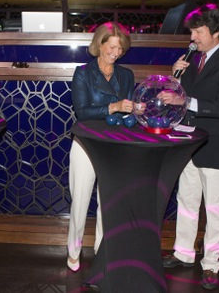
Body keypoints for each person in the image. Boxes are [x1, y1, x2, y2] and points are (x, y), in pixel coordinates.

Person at [160, 4, 219, 290]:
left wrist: (184, 101)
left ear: (216, 31)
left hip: (217, 146)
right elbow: (178, 97)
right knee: (187, 202)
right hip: (189, 143)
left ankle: (211, 263)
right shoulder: (192, 60)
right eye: (192, 31)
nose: (193, 37)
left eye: (198, 31)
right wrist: (176, 76)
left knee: (214, 208)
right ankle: (183, 252)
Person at [67, 22, 135, 272]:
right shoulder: (83, 73)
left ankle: (101, 250)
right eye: (112, 46)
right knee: (80, 201)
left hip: (114, 144)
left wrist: (134, 111)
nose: (115, 53)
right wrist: (114, 107)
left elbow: (128, 111)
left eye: (120, 48)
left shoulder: (126, 75)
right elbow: (82, 112)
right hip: (86, 142)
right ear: (100, 44)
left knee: (107, 202)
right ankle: (73, 251)